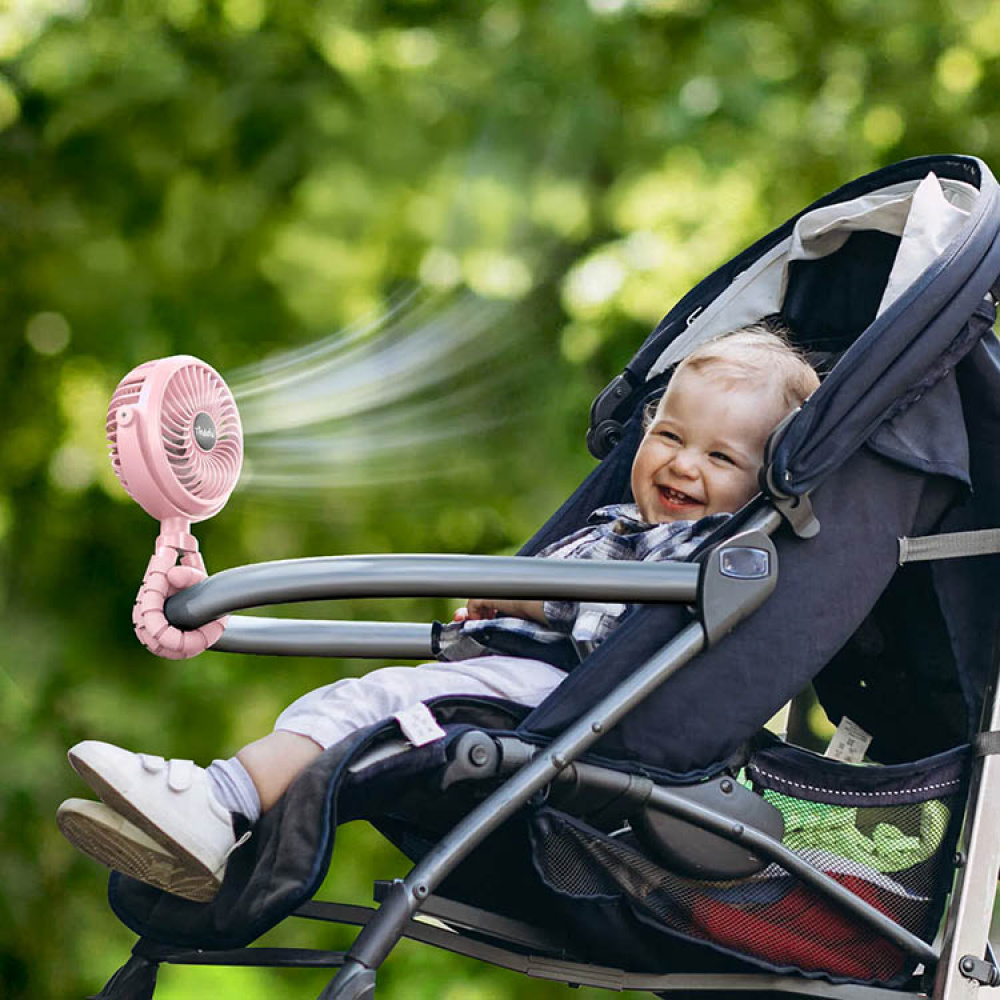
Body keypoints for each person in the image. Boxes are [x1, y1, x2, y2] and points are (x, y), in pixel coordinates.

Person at [57, 323, 819, 903]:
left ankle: (219, 801)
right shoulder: (623, 522)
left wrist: (522, 593)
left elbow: (621, 628)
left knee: (372, 702)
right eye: (669, 436)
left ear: (761, 485)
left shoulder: (710, 553)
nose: (683, 464)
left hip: (568, 706)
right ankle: (216, 836)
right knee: (355, 707)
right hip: (516, 677)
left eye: (720, 459)